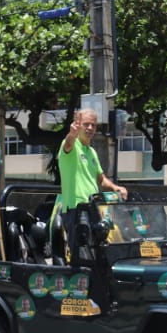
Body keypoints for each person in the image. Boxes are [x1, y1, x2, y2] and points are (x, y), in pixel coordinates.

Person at [55, 109, 128, 262]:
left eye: (93, 125)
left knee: (99, 252)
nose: (89, 128)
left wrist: (116, 188)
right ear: (78, 125)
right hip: (77, 209)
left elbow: (101, 179)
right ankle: (80, 282)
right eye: (86, 124)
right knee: (82, 255)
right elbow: (68, 144)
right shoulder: (71, 146)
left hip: (93, 208)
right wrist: (71, 135)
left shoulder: (92, 152)